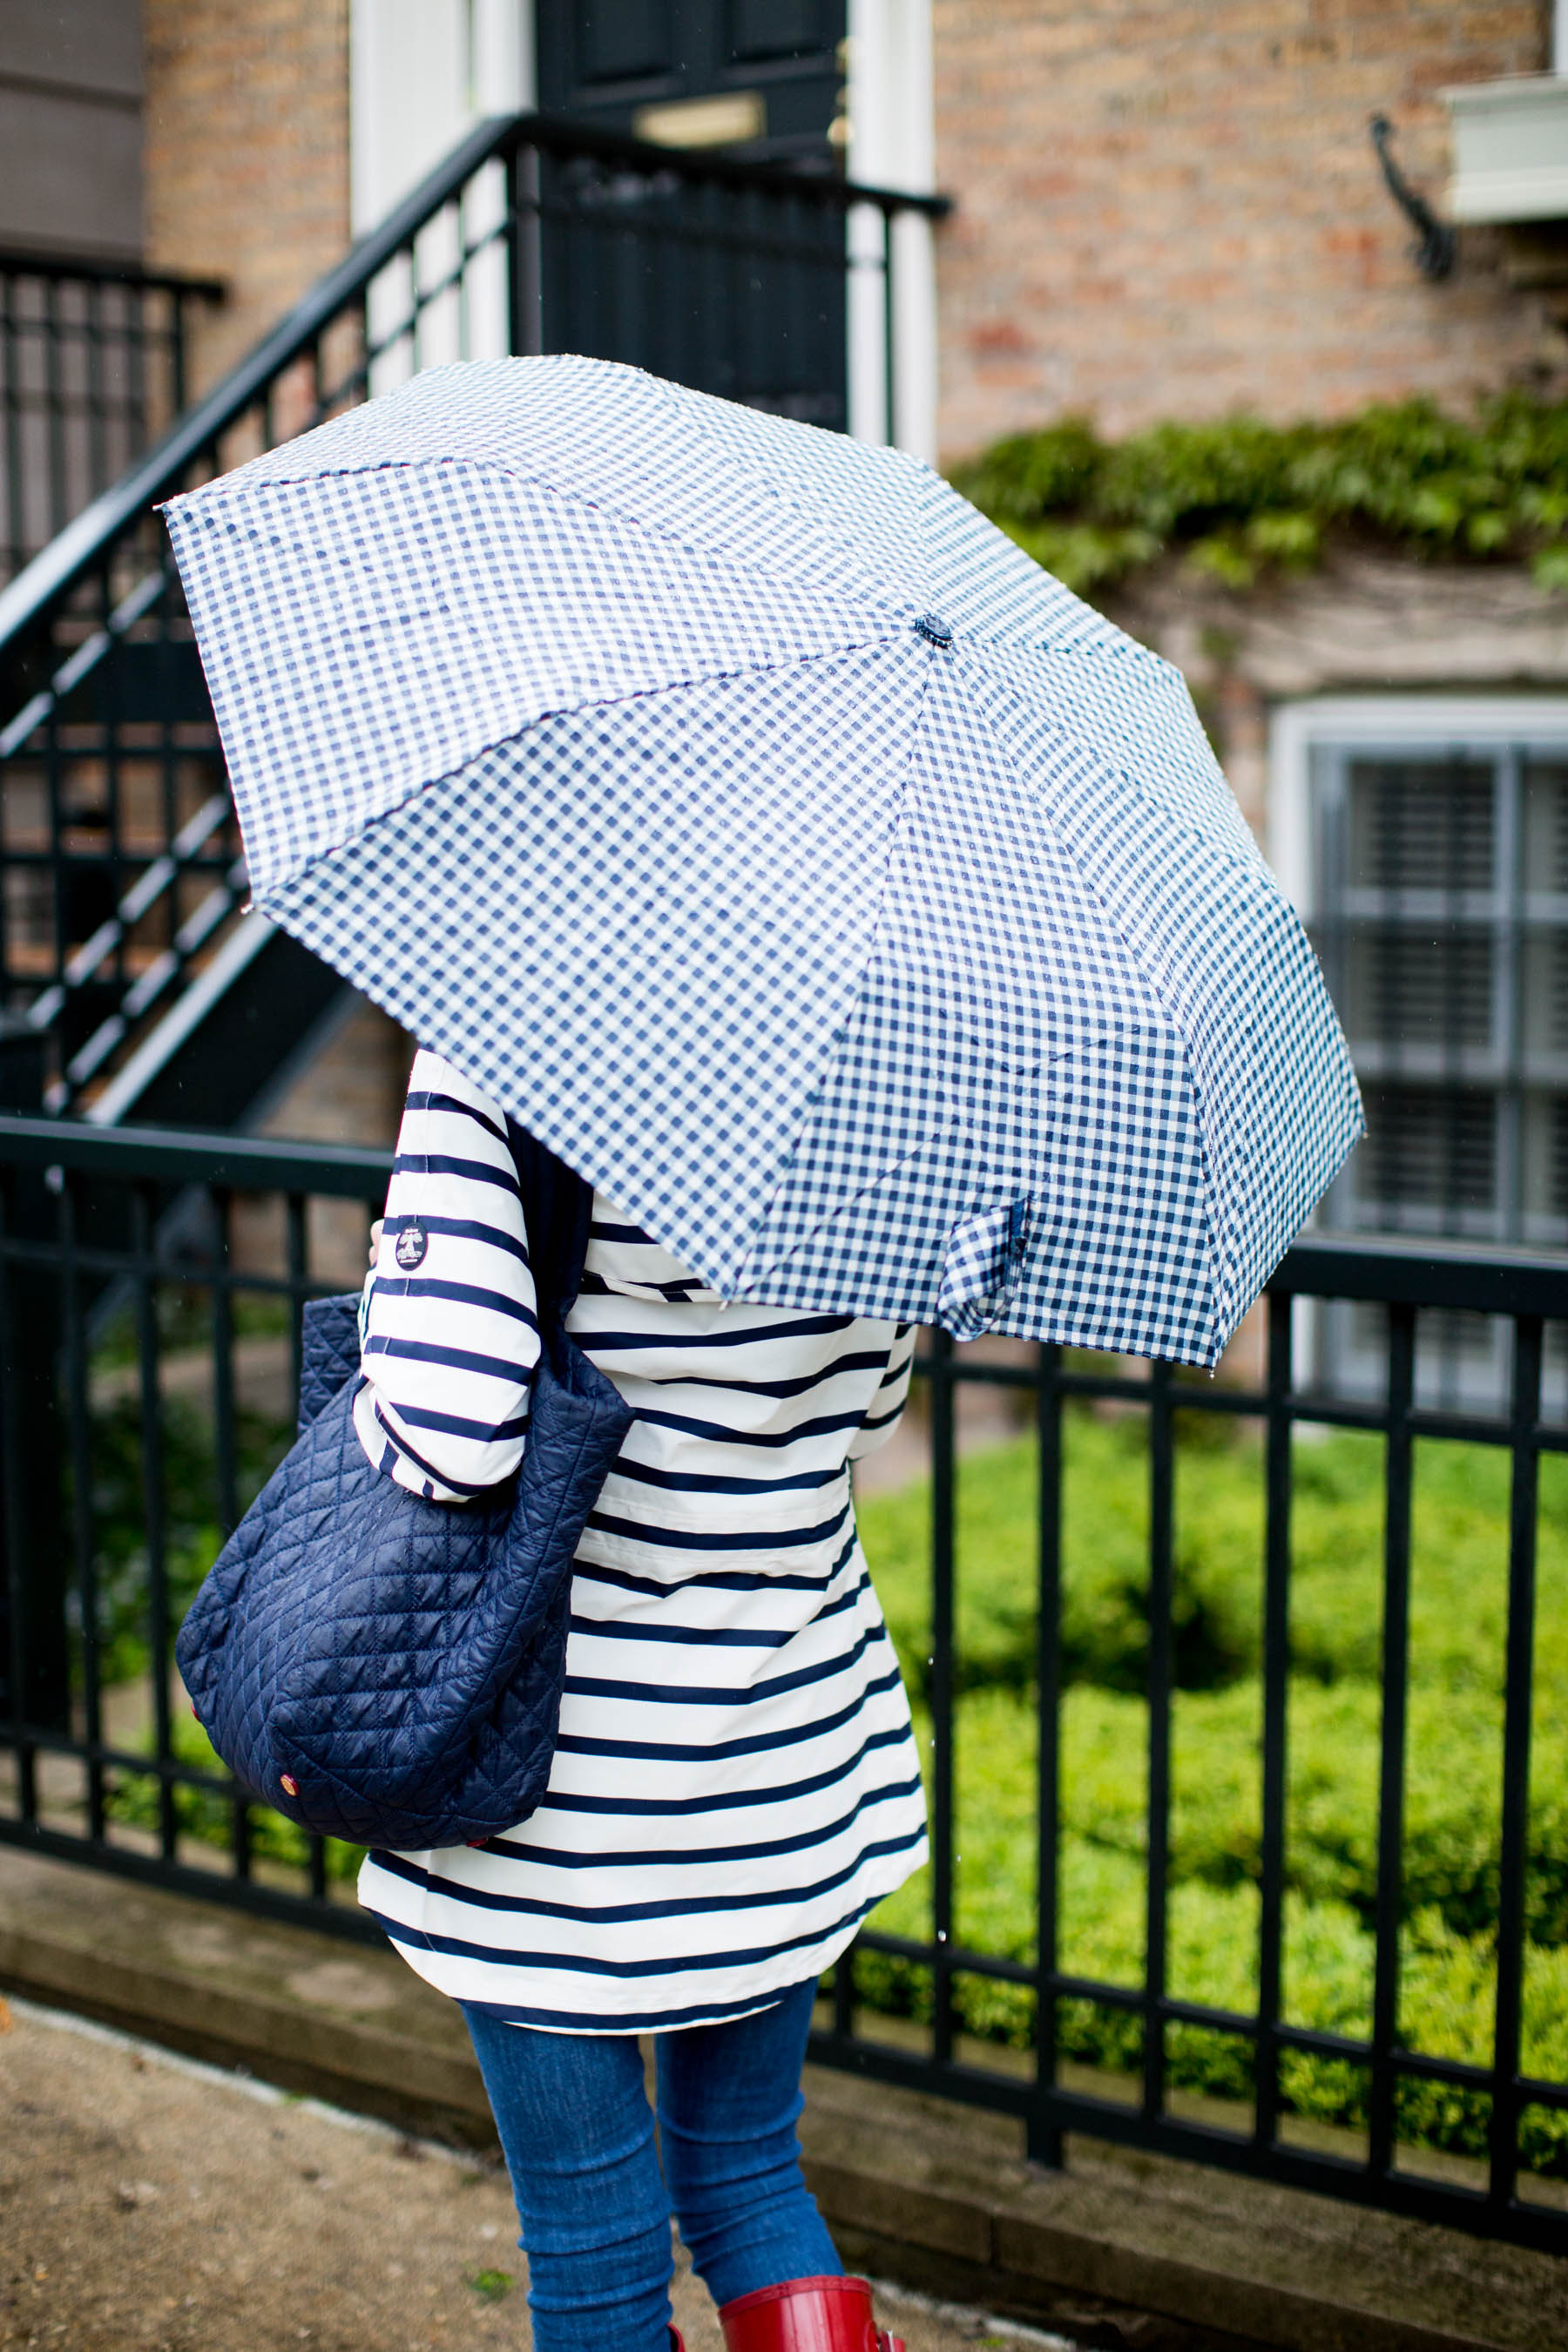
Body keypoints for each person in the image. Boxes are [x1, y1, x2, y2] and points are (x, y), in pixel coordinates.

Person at [354, 1047, 928, 2352]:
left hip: (557, 1783)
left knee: (597, 2253)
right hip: (783, 1750)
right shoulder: (901, 1074)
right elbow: (866, 1420)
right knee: (745, 2177)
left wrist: (407, 1270)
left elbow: (453, 1428)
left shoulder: (510, 1040)